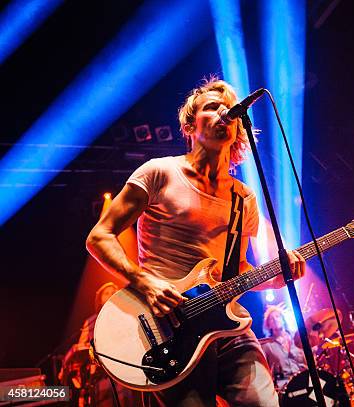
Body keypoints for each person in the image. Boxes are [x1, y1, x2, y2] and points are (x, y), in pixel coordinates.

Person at [86, 77, 306, 407]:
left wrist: (277, 277)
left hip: (226, 326)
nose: (224, 113)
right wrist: (146, 283)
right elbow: (99, 237)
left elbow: (238, 270)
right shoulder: (158, 172)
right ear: (190, 123)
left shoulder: (243, 197)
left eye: (228, 107)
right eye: (212, 107)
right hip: (168, 329)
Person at [260, 304, 306, 389]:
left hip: (304, 380)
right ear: (268, 325)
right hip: (285, 386)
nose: (275, 320)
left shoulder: (297, 338)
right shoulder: (267, 346)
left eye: (277, 316)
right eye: (271, 319)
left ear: (283, 319)